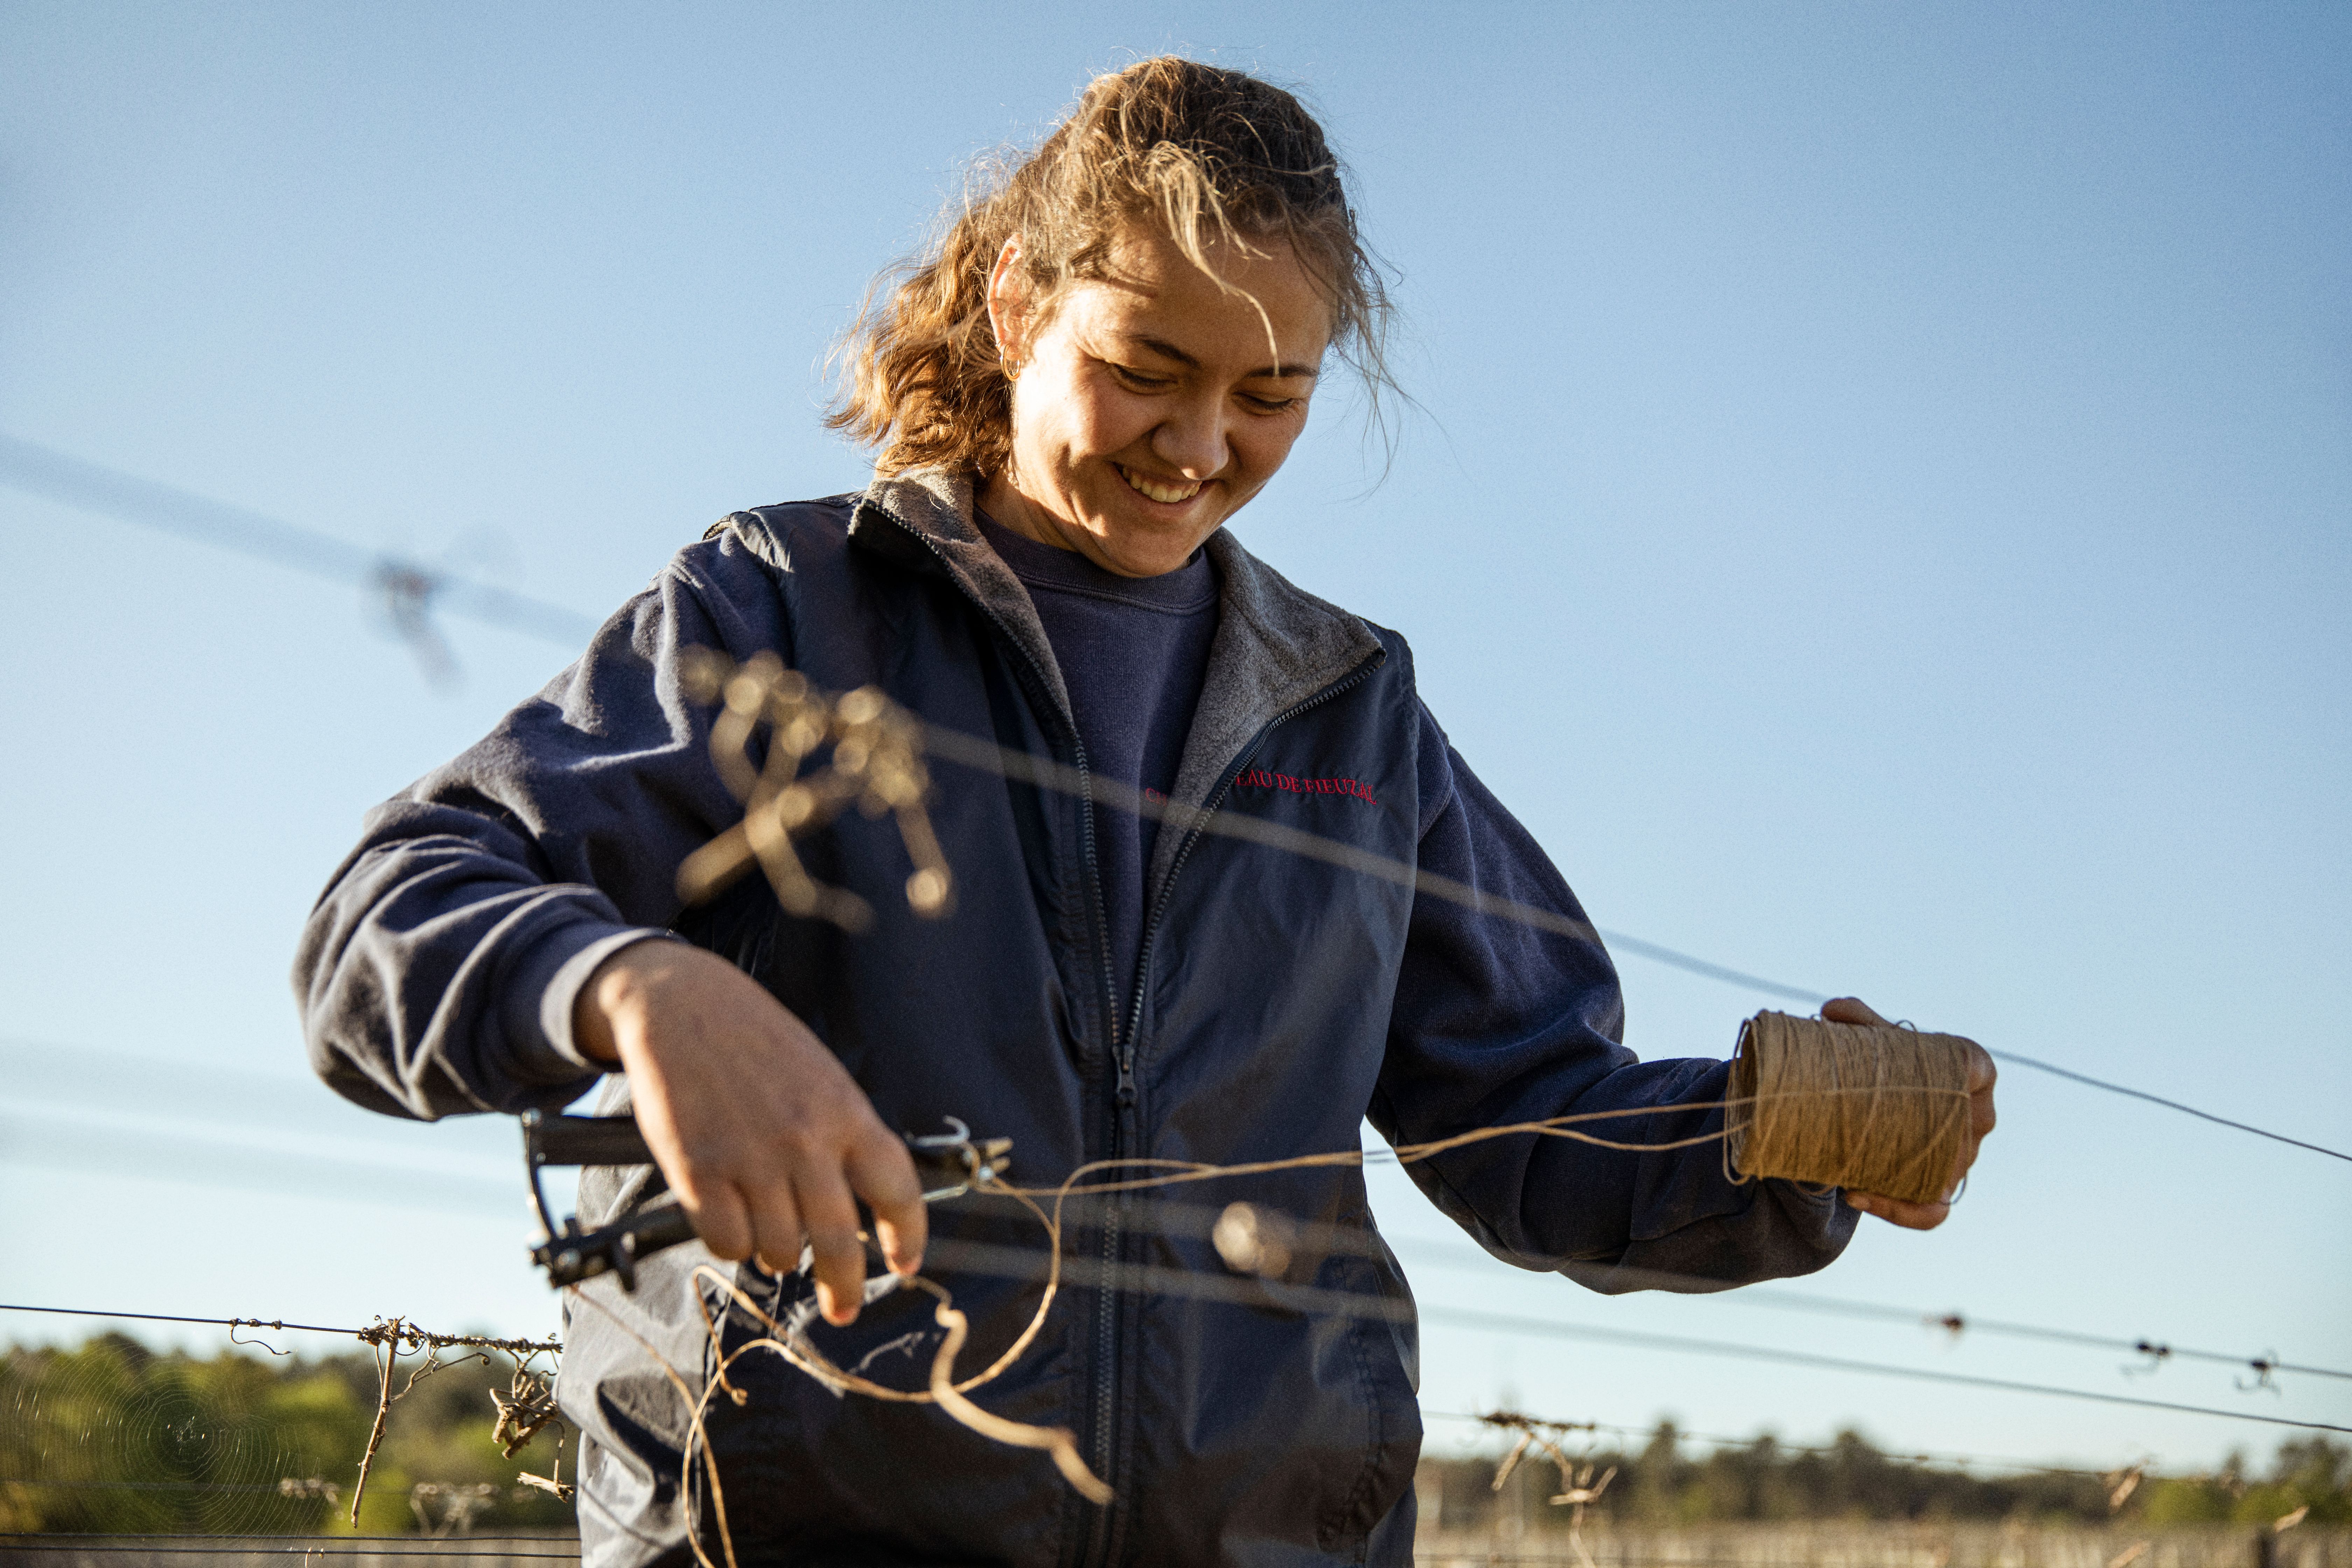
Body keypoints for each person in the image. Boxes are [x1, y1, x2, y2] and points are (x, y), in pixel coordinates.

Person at [296, 56, 1995, 1568]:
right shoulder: (783, 613)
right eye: (1147, 368)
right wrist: (637, 989)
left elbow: (1538, 1123)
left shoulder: (1356, 709)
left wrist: (1799, 1145)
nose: (1198, 444)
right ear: (1019, 302)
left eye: (1273, 396)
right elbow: (385, 912)